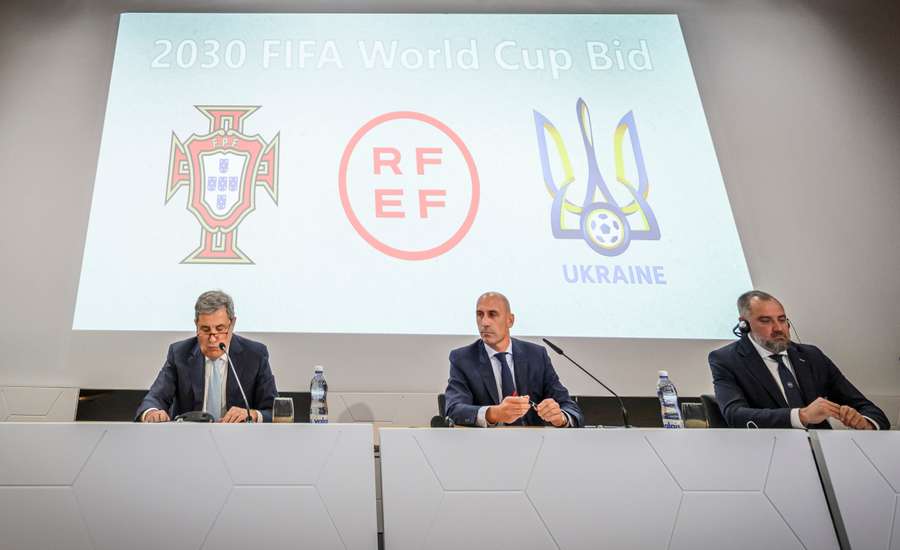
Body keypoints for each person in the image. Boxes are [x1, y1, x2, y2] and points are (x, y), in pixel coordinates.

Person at [709, 290, 889, 430]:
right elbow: (735, 415)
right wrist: (801, 416)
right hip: (769, 454)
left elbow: (870, 410)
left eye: (782, 320)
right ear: (744, 324)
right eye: (766, 321)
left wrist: (865, 423)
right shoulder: (726, 360)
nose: (779, 328)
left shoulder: (811, 356)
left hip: (826, 453)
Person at [444, 292, 583, 427]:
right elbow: (454, 410)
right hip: (485, 446)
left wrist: (560, 418)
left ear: (510, 320)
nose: (484, 322)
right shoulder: (463, 358)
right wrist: (493, 413)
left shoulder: (536, 355)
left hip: (535, 446)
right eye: (480, 314)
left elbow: (570, 409)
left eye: (492, 314)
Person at [136, 290, 277, 423]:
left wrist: (251, 414)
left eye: (220, 329)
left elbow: (274, 411)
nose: (213, 339)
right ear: (196, 325)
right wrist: (151, 412)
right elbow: (154, 398)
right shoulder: (180, 353)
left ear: (232, 324)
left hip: (239, 439)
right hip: (188, 438)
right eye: (205, 330)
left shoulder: (255, 355)